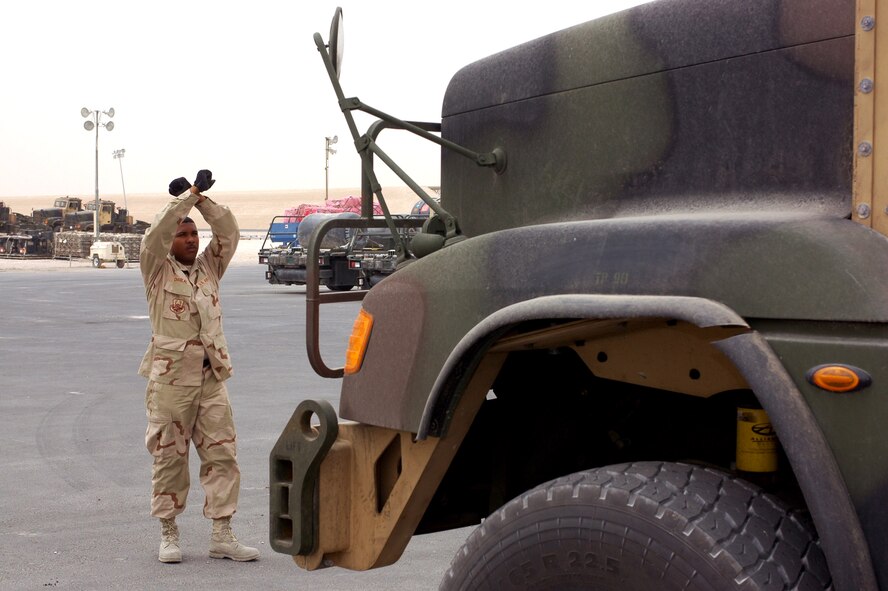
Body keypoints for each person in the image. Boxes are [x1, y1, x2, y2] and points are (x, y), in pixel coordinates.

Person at [138, 171, 259, 564]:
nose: (191, 239)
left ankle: (222, 534)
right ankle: (169, 533)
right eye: (183, 234)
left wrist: (202, 201)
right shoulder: (156, 270)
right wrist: (184, 200)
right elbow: (155, 232)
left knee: (223, 455)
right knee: (170, 458)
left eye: (194, 234)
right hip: (172, 381)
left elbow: (229, 232)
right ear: (171, 241)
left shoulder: (209, 268)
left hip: (211, 379)